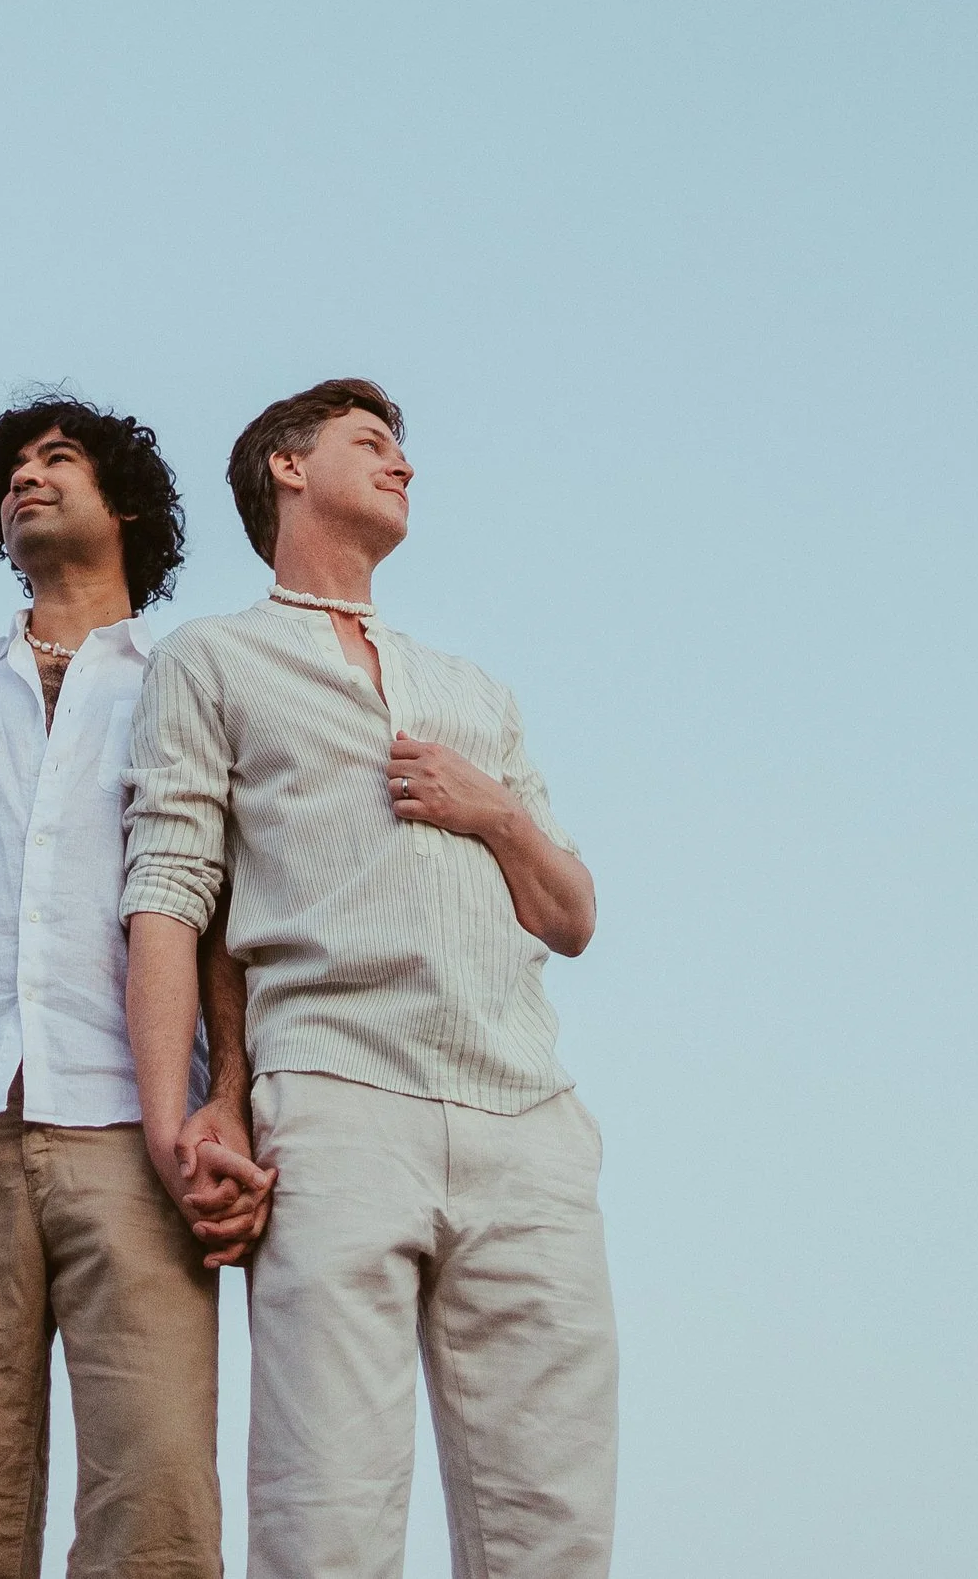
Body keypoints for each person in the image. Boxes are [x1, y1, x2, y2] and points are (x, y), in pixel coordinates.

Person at [122, 379, 617, 1579]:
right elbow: (170, 892)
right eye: (372, 444)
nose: (403, 466)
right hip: (337, 1100)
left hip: (529, 1119)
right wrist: (173, 1117)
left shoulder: (472, 692)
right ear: (288, 469)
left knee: (551, 1524)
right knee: (325, 1513)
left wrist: (489, 808)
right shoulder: (213, 660)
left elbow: (572, 916)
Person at [0, 396, 268, 1579]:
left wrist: (229, 1091)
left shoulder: (187, 679)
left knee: (158, 1498)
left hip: (137, 1133)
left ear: (122, 503)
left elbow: (222, 908)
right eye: (11, 470)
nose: (26, 479)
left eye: (56, 459)